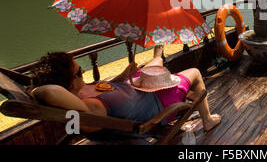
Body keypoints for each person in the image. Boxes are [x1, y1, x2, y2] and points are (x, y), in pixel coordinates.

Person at [31, 45, 221, 135]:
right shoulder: (87, 108)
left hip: (134, 87)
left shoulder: (78, 93)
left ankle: (158, 54)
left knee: (155, 63)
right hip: (157, 103)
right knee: (195, 72)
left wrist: (122, 76)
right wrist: (35, 91)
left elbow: (105, 90)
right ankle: (208, 120)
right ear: (67, 83)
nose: (85, 71)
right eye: (79, 72)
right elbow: (50, 92)